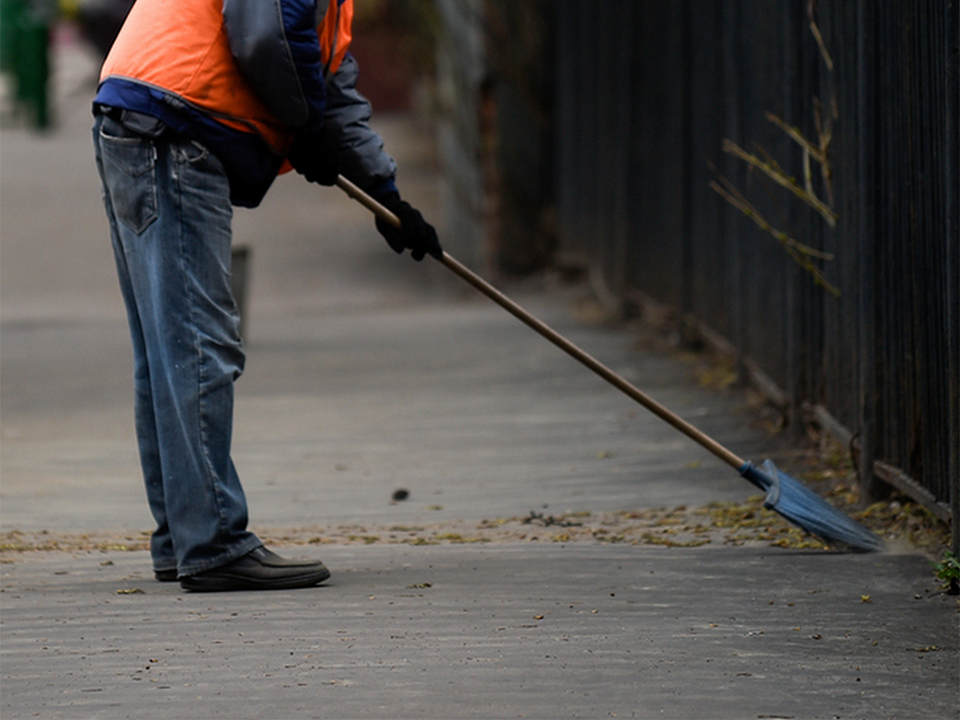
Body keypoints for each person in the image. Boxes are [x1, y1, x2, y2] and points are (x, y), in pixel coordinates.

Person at [92, 0, 442, 592]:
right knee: (198, 343)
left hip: (143, 114)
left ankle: (184, 536)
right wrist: (304, 129)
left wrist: (387, 195)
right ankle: (214, 542)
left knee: (167, 347)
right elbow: (261, 37)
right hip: (173, 124)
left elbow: (328, 84)